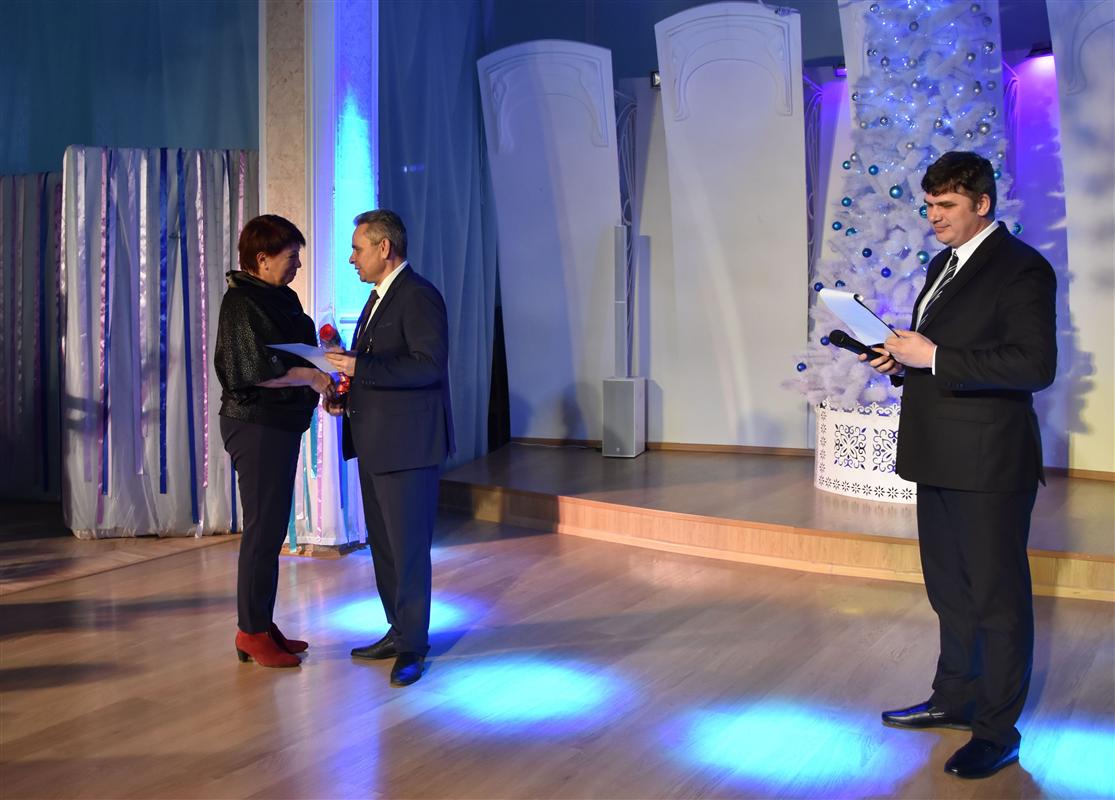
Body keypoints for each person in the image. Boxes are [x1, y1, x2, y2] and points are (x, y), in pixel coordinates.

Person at [866, 152, 1056, 778]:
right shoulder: (942, 265)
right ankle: (954, 698)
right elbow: (941, 356)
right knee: (949, 590)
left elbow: (1034, 365)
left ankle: (997, 731)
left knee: (997, 601)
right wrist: (902, 362)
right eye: (929, 205)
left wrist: (934, 357)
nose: (934, 217)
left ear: (982, 203)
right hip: (937, 452)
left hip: (990, 461)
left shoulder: (1022, 268)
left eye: (946, 205)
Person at [324, 209, 454, 687]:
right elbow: (380, 368)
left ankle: (413, 646)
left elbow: (427, 366)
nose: (351, 258)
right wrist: (345, 395)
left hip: (409, 448)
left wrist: (360, 368)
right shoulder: (379, 296)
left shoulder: (418, 295)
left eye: (357, 248)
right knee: (384, 548)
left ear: (385, 248)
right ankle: (398, 632)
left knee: (408, 551)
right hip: (379, 443)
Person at [214, 214, 333, 668]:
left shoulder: (280, 297)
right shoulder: (241, 302)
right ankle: (251, 630)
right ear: (262, 259)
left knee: (271, 528)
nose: (298, 264)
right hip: (256, 425)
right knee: (263, 530)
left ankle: (261, 624)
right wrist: (309, 374)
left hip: (278, 425)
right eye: (291, 256)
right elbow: (250, 371)